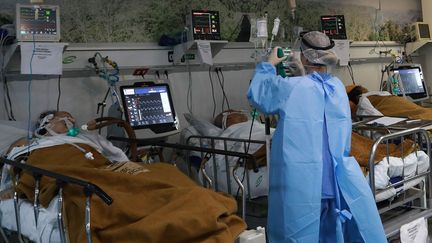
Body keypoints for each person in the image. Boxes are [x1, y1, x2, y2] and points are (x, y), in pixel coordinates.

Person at [247, 31, 386, 243]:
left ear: (304, 56)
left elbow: (258, 93)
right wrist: (302, 72)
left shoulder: (291, 87)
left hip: (302, 184)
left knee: (300, 234)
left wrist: (269, 63)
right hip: (333, 181)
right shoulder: (337, 87)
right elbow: (312, 93)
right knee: (331, 234)